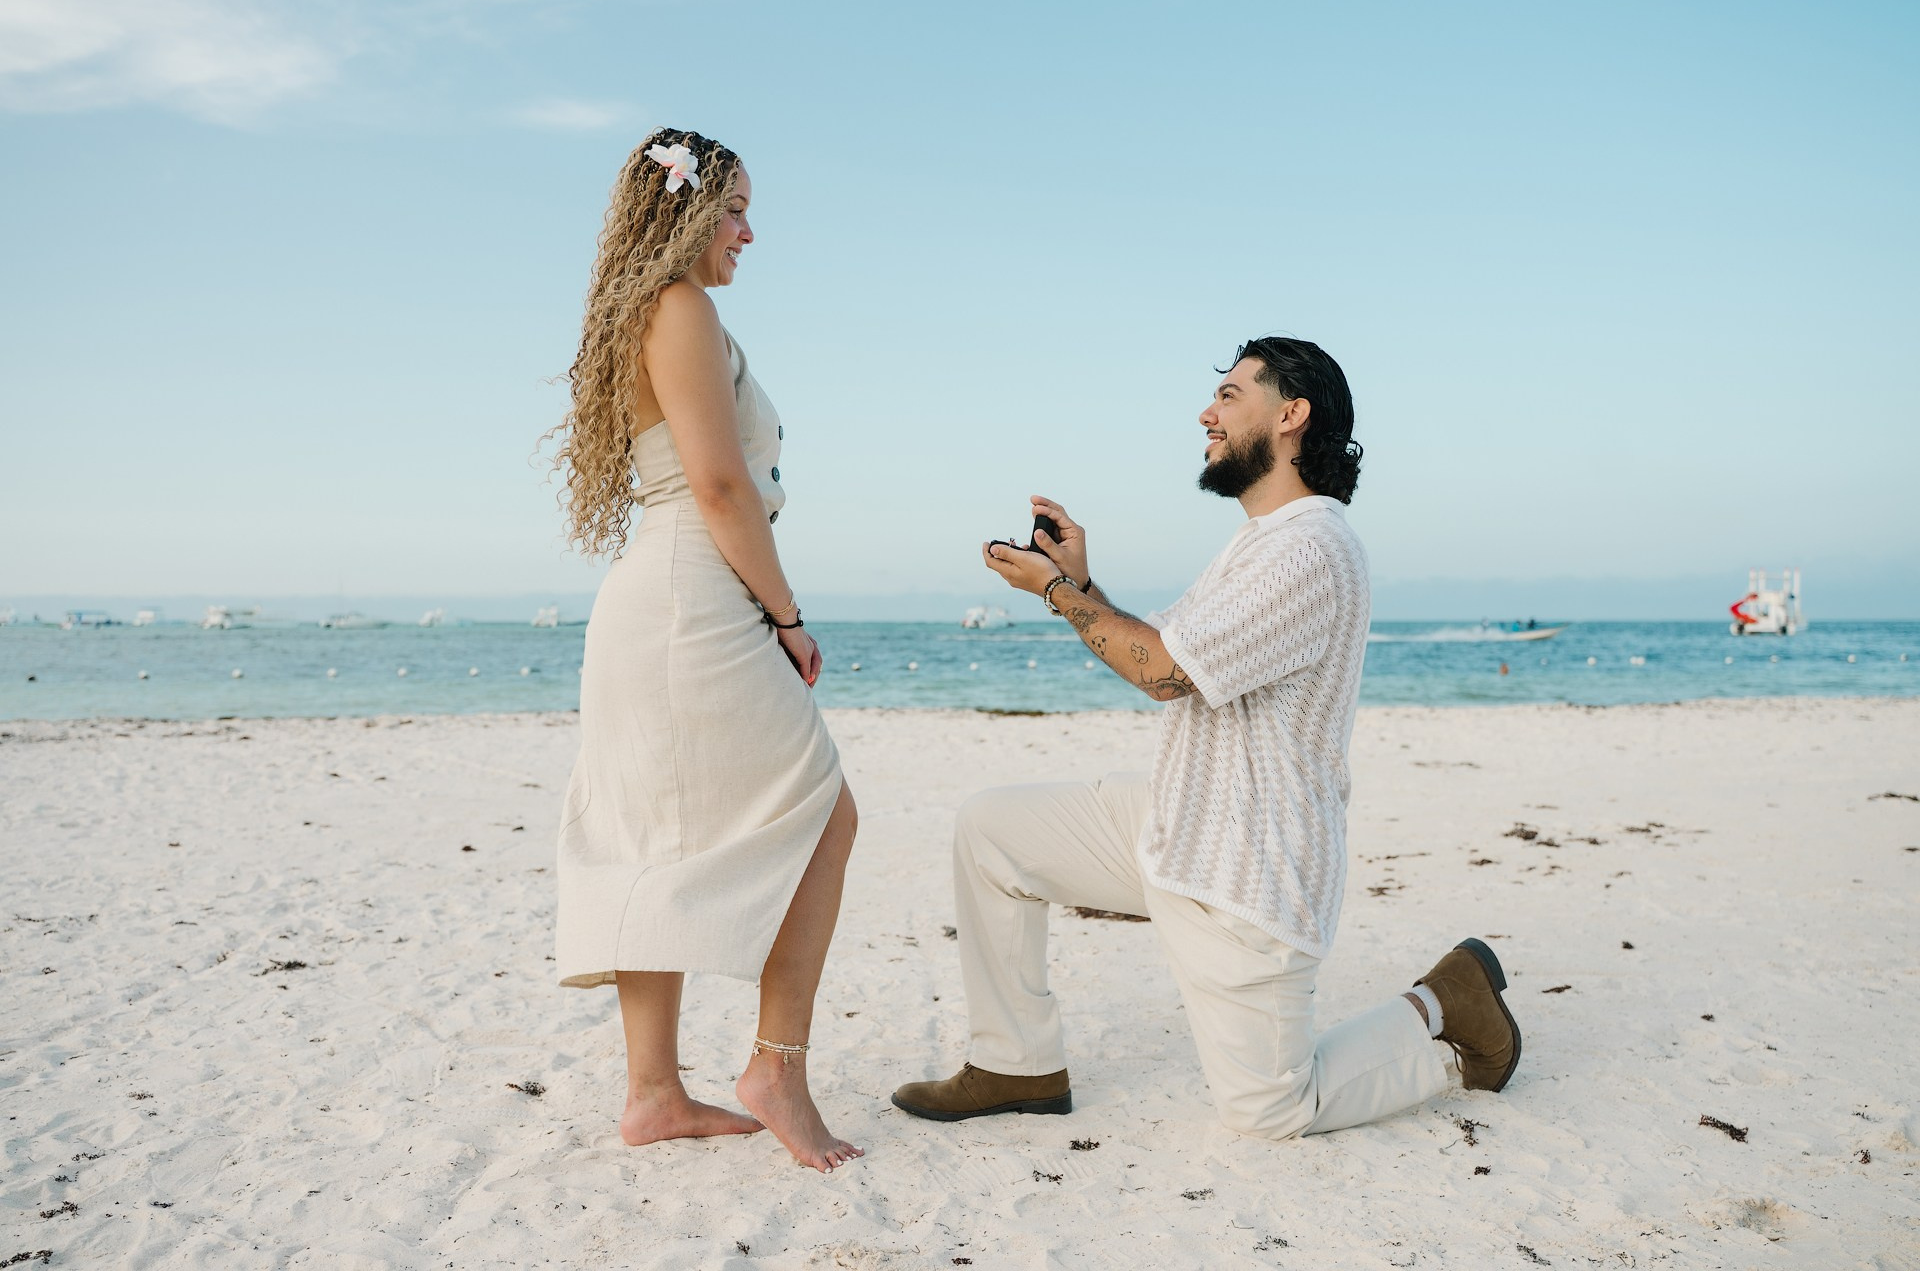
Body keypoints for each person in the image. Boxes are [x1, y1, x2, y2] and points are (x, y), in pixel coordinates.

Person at [891, 337, 1521, 1139]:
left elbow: (1161, 673)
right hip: (1178, 823)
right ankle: (1018, 1066)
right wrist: (1081, 584)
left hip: (1248, 871)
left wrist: (1053, 589)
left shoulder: (1310, 548)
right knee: (992, 830)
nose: (1206, 412)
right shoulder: (1261, 539)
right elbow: (1167, 648)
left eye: (1228, 395)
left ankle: (1448, 1005)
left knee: (1271, 1110)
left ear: (1291, 415)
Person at [548, 129, 861, 1171]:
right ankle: (774, 1067)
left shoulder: (647, 310)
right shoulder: (682, 307)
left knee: (653, 840)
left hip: (664, 595)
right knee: (823, 807)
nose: (748, 231)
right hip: (694, 600)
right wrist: (786, 615)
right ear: (683, 211)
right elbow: (722, 489)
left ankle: (652, 1095)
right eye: (732, 210)